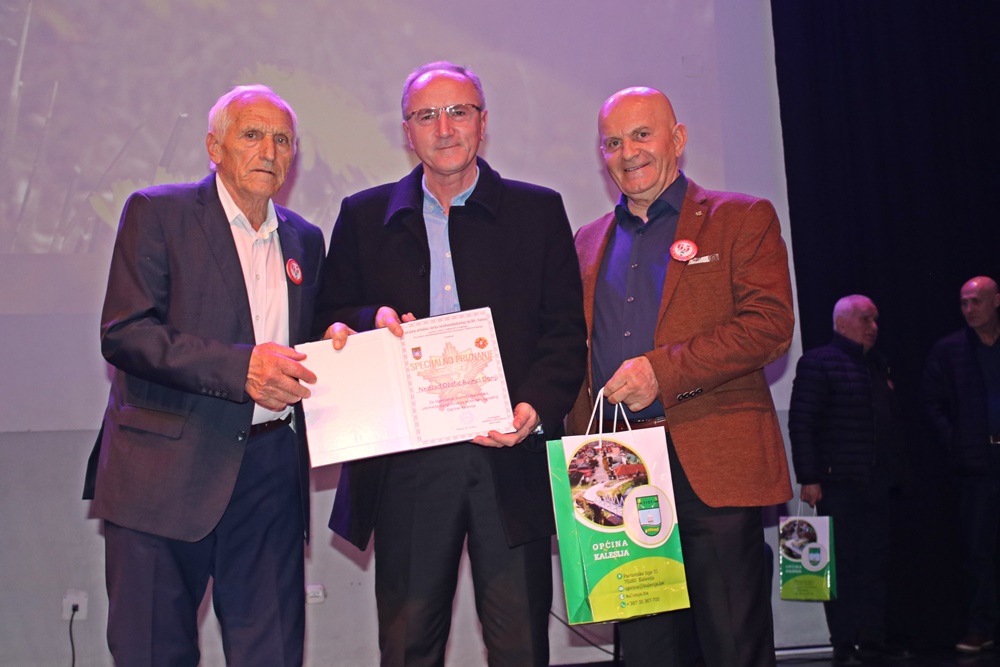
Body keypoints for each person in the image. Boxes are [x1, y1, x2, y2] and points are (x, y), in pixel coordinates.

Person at [315, 61, 587, 667]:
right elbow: (329, 316)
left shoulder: (537, 211)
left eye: (458, 111)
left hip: (509, 455)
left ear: (483, 123)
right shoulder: (363, 216)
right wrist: (368, 320)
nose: (444, 128)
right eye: (426, 115)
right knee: (409, 645)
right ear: (406, 131)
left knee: (519, 644)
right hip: (408, 465)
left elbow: (566, 332)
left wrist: (534, 408)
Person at [83, 85, 325, 666]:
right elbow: (125, 332)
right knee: (153, 652)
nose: (268, 150)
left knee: (273, 654)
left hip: (270, 477)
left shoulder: (306, 239)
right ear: (215, 147)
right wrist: (241, 368)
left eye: (282, 140)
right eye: (252, 134)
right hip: (163, 473)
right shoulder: (158, 213)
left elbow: (315, 344)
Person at [565, 86, 794, 667]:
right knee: (647, 652)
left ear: (679, 139)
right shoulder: (586, 241)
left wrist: (661, 372)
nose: (628, 153)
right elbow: (572, 350)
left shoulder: (740, 218)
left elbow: (769, 326)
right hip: (619, 473)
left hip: (712, 463)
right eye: (612, 142)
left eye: (642, 135)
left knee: (732, 645)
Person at [788, 295, 908, 664]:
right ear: (842, 324)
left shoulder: (877, 364)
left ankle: (871, 640)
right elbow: (802, 423)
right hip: (836, 484)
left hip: (876, 482)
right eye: (866, 319)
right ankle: (842, 643)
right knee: (838, 564)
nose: (874, 327)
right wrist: (809, 477)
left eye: (875, 320)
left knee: (874, 564)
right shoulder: (818, 362)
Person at [922, 276, 1000, 655]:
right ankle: (979, 626)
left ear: (996, 301)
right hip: (976, 465)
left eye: (976, 301)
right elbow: (931, 402)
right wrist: (956, 442)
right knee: (978, 550)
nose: (969, 309)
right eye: (964, 303)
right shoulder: (949, 350)